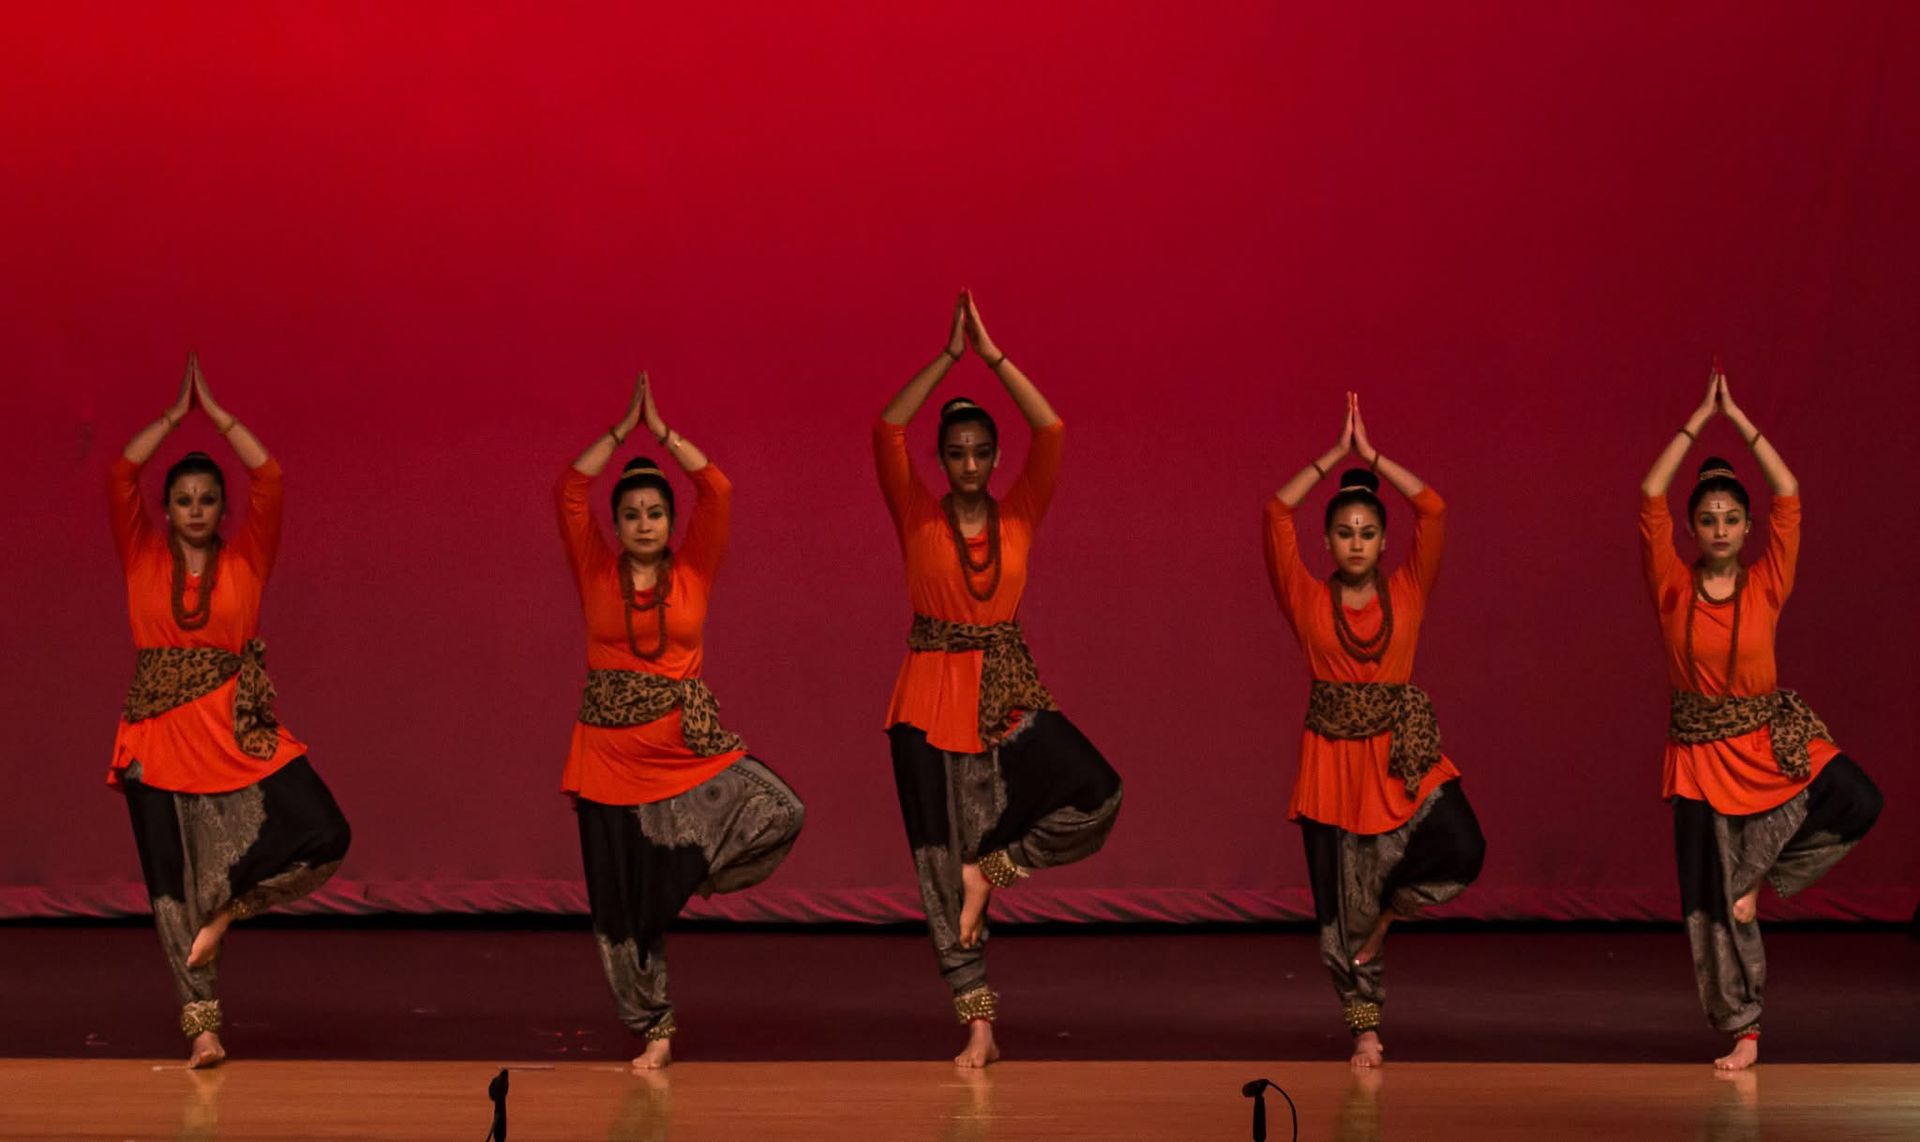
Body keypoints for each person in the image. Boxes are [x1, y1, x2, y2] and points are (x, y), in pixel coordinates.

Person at [874, 291, 1123, 1067]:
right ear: (941, 460)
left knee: (1096, 790)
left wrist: (993, 357)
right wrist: (947, 359)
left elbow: (1051, 430)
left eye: (983, 452)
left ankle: (995, 869)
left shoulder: (1020, 514)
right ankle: (977, 1023)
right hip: (926, 701)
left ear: (995, 457)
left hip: (1004, 690)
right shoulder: (917, 513)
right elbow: (886, 428)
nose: (972, 465)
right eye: (957, 453)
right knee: (938, 862)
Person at [108, 354, 351, 1069]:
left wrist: (215, 415)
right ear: (166, 509)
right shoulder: (142, 556)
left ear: (221, 509)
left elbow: (269, 477)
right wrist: (170, 417)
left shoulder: (246, 561)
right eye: (182, 499)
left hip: (232, 730)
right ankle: (203, 1030)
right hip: (155, 735)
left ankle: (226, 912)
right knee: (170, 887)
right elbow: (120, 474)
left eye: (207, 499)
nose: (194, 509)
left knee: (324, 832)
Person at [557, 372, 805, 1069]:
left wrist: (662, 434)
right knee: (618, 906)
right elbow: (569, 489)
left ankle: (675, 885)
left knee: (781, 809)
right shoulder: (595, 571)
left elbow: (717, 491)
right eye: (632, 514)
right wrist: (619, 432)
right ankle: (655, 1029)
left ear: (671, 522)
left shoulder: (694, 570)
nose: (644, 523)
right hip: (607, 757)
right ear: (616, 526)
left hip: (681, 749)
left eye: (656, 513)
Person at [1639, 360, 1881, 1071]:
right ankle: (1744, 1031)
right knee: (1710, 906)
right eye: (1707, 519)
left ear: (1747, 528)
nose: (1719, 528)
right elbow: (1650, 492)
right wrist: (1698, 420)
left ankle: (1758, 879)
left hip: (1768, 742)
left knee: (1858, 798)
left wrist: (1739, 421)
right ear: (1692, 528)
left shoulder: (1768, 580)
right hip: (1698, 756)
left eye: (1730, 519)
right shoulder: (1671, 585)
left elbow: (1790, 492)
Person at [1263, 392, 1485, 1068]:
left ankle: (1388, 915)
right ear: (1327, 542)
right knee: (1338, 912)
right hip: (1332, 765)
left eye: (1367, 532)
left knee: (1463, 846)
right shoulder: (1307, 598)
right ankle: (1364, 1026)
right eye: (1344, 532)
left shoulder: (1409, 589)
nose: (1356, 542)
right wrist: (1333, 456)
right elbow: (1275, 512)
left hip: (1399, 754)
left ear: (1385, 542)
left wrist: (1373, 458)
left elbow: (1434, 509)